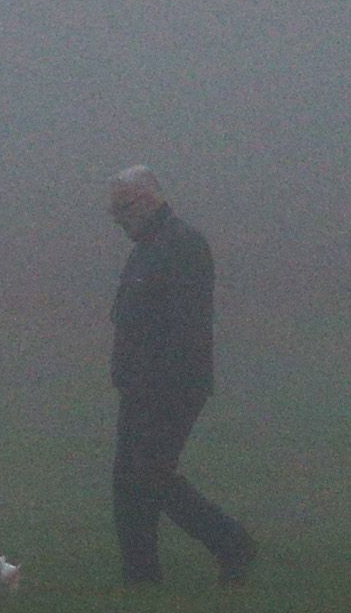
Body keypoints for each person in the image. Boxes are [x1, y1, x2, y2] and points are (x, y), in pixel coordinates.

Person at [104, 164, 258, 588]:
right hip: (140, 385)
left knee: (149, 473)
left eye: (123, 208)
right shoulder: (148, 246)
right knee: (129, 479)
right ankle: (140, 576)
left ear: (149, 198)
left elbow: (186, 327)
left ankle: (230, 542)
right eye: (113, 212)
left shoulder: (183, 245)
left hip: (170, 386)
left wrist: (158, 382)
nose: (118, 219)